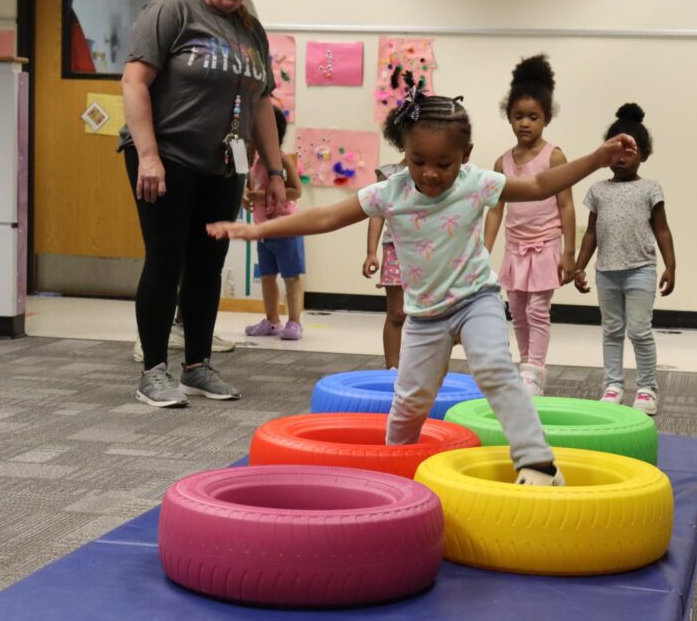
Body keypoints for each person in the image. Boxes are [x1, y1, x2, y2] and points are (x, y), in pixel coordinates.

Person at [208, 75, 638, 486]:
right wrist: (259, 229)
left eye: (443, 164)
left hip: (476, 299)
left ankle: (537, 461)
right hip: (424, 316)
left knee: (494, 369)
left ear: (465, 154)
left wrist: (597, 158)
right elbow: (326, 216)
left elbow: (541, 184)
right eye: (418, 162)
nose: (430, 173)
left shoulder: (476, 183)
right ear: (404, 153)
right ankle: (394, 463)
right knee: (410, 401)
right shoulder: (391, 190)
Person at [118, 0, 287, 407]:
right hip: (166, 156)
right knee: (166, 259)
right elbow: (134, 82)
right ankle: (153, 370)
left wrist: (273, 169)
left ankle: (197, 366)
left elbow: (262, 106)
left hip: (223, 164)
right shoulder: (172, 9)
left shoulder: (251, 30)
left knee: (208, 265)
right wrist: (148, 156)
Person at [572, 103, 676, 416]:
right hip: (606, 273)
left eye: (629, 151)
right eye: (615, 149)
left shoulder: (650, 188)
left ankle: (646, 388)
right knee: (612, 330)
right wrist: (579, 266)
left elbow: (662, 229)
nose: (621, 157)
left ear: (644, 154)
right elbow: (590, 235)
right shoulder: (597, 190)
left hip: (640, 271)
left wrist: (671, 265)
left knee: (640, 330)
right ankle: (613, 385)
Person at [484, 55, 574, 396]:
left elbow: (565, 203)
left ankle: (536, 366)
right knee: (517, 310)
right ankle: (526, 366)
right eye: (518, 117)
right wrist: (484, 251)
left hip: (545, 244)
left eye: (533, 117)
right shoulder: (501, 162)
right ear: (509, 117)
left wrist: (570, 252)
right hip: (515, 247)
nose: (525, 124)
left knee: (538, 309)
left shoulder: (554, 157)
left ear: (546, 119)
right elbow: (495, 210)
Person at [243, 105, 305, 340]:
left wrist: (263, 195)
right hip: (264, 230)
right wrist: (246, 195)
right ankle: (271, 320)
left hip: (287, 228)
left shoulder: (282, 159)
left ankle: (295, 322)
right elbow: (250, 187)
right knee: (267, 276)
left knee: (291, 276)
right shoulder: (255, 161)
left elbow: (296, 191)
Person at [362, 159, 406, 368]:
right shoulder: (389, 174)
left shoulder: (436, 171)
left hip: (429, 251)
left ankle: (425, 370)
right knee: (396, 313)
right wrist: (371, 252)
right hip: (395, 249)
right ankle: (392, 369)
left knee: (428, 317)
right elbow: (377, 214)